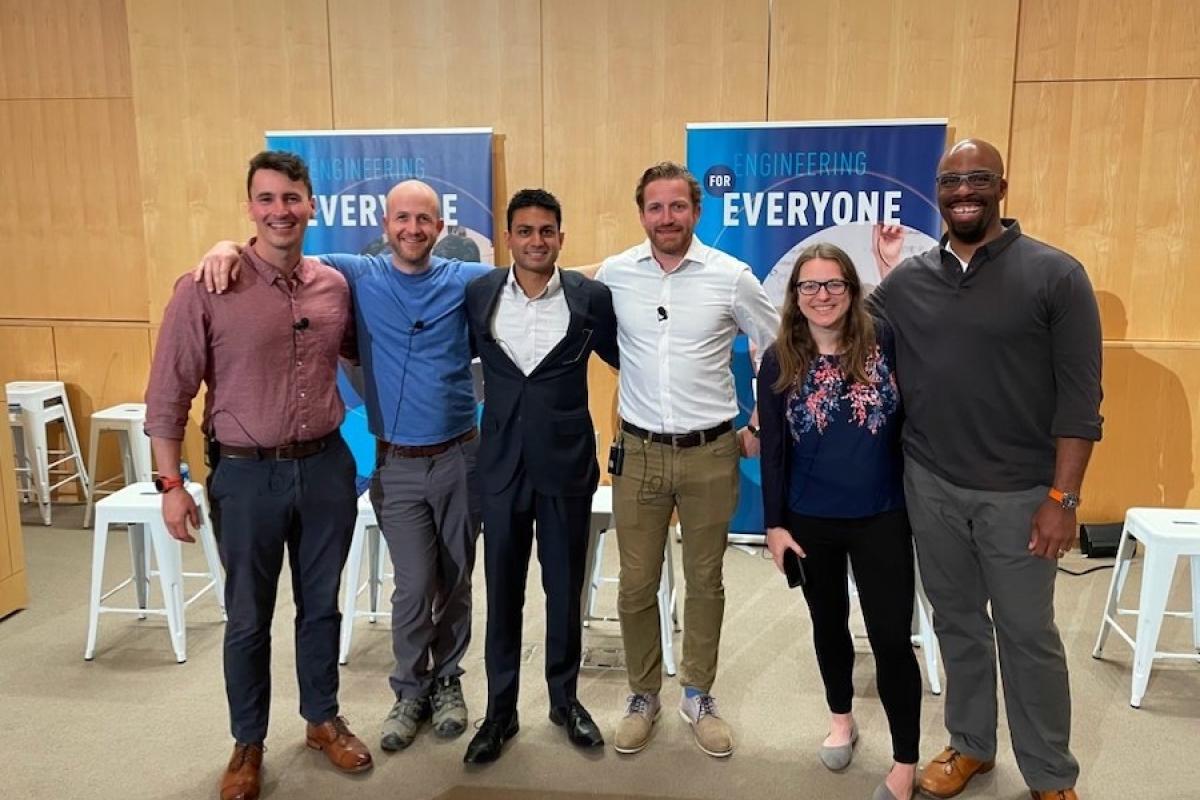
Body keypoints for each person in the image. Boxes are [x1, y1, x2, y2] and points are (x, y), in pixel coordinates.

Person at [194, 179, 491, 754]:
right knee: (410, 586)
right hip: (396, 463)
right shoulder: (355, 271)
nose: (412, 229)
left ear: (441, 226)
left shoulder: (466, 279)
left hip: (460, 456)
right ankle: (409, 688)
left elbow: (546, 273)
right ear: (385, 225)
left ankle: (448, 680)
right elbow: (277, 250)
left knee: (454, 582)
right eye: (402, 219)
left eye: (424, 220)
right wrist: (225, 245)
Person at [870, 138, 1102, 800]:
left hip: (1024, 496)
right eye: (950, 181)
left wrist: (1064, 497)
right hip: (932, 487)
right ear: (936, 192)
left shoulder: (1056, 275)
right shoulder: (910, 280)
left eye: (977, 178)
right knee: (959, 624)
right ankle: (971, 744)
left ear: (1003, 185)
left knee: (1028, 634)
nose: (963, 190)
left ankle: (1051, 774)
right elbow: (844, 335)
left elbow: (1082, 404)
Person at [146, 151, 372, 800]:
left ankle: (322, 719)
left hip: (327, 468)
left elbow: (365, 347)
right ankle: (247, 743)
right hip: (246, 479)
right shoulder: (206, 285)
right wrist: (170, 486)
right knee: (247, 618)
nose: (281, 211)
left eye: (292, 198)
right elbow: (168, 394)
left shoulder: (334, 285)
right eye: (267, 199)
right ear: (251, 207)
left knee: (322, 607)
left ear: (312, 205)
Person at [594, 162, 780, 758]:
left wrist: (758, 422)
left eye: (678, 207)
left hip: (710, 454)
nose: (666, 218)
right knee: (635, 585)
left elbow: (775, 350)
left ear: (696, 213)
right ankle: (642, 693)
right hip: (640, 452)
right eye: (655, 207)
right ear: (641, 212)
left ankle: (698, 692)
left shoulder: (731, 277)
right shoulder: (615, 274)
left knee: (706, 580)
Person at [757, 242, 920, 800]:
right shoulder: (778, 359)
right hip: (810, 522)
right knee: (828, 626)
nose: (821, 296)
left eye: (833, 285)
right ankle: (841, 719)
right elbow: (774, 449)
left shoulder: (885, 343)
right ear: (795, 296)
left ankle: (905, 759)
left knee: (892, 638)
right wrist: (774, 525)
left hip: (882, 515)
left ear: (852, 291)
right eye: (809, 286)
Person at [460, 189, 619, 763]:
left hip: (566, 466)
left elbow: (632, 359)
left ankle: (564, 699)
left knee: (563, 589)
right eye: (524, 231)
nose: (536, 241)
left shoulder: (590, 298)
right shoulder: (478, 294)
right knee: (501, 593)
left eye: (546, 231)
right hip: (500, 467)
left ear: (561, 236)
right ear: (508, 238)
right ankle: (500, 712)